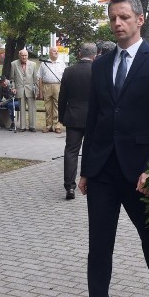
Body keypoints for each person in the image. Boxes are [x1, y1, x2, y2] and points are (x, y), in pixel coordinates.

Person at [69, 0, 149, 297]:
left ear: (140, 20)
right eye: (113, 18)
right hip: (102, 169)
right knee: (99, 246)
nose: (117, 23)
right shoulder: (101, 65)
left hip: (140, 171)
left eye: (124, 17)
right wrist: (86, 169)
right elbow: (95, 119)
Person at [58, 42, 96, 200]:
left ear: (79, 54)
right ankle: (91, 182)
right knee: (91, 151)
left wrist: (61, 116)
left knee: (71, 152)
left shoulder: (69, 71)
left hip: (73, 117)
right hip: (93, 119)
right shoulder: (97, 70)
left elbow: (62, 97)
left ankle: (70, 187)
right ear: (95, 55)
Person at [39, 46, 66, 133]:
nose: (56, 53)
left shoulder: (61, 63)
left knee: (57, 106)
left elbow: (65, 77)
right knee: (47, 107)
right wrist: (40, 91)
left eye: (57, 51)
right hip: (46, 86)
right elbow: (40, 78)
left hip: (58, 86)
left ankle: (57, 125)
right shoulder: (44, 63)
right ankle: (48, 125)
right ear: (50, 53)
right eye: (54, 51)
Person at [10, 49, 38, 132]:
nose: (24, 57)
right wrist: (13, 88)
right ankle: (23, 127)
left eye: (25, 55)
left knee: (32, 108)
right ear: (19, 56)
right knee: (22, 108)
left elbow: (35, 79)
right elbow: (12, 78)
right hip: (20, 89)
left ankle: (32, 126)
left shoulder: (33, 64)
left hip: (30, 89)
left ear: (28, 56)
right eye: (22, 55)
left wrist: (37, 91)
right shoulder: (14, 64)